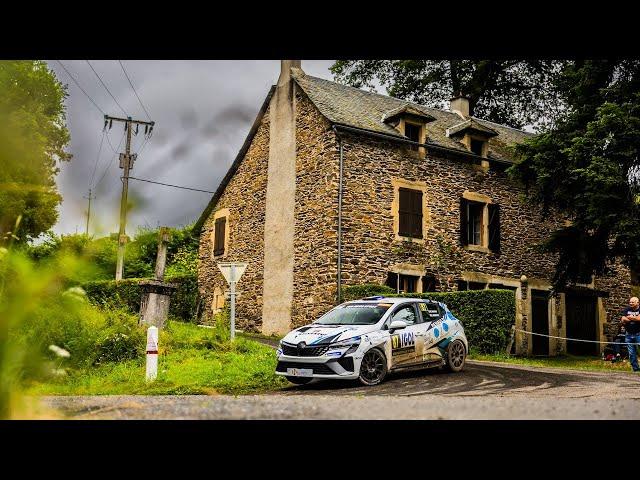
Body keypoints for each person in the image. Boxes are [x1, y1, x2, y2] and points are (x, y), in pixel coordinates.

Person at [620, 297, 640, 371]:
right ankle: (636, 369)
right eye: (630, 302)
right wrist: (634, 318)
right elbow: (623, 319)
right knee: (631, 353)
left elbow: (639, 319)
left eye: (632, 302)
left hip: (639, 334)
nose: (630, 303)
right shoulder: (627, 309)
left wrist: (629, 317)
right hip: (628, 334)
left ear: (637, 303)